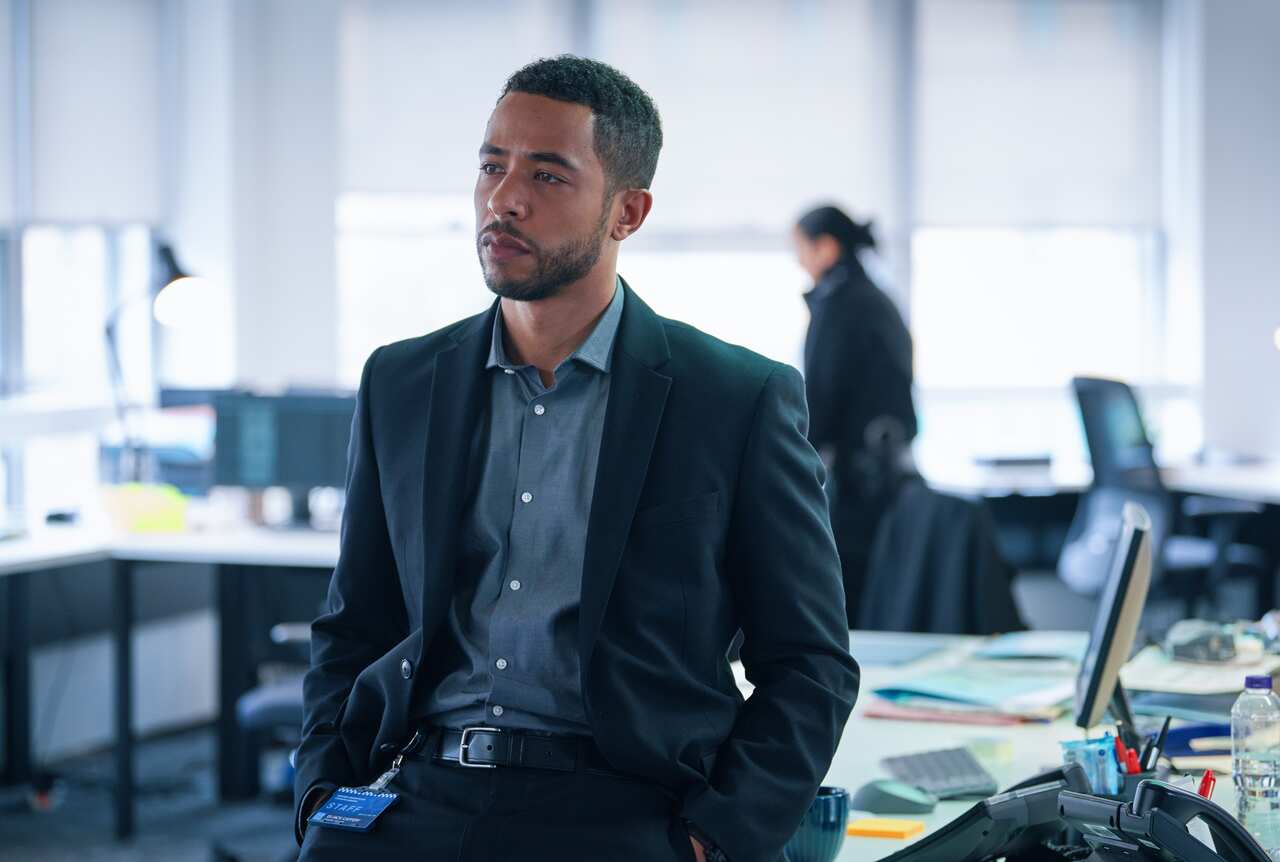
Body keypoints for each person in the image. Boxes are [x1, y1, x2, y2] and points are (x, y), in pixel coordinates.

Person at [294, 56, 858, 862]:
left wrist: (719, 836)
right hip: (417, 789)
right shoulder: (401, 381)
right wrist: (320, 794)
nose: (504, 198)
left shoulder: (735, 399)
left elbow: (810, 663)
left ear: (628, 211)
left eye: (548, 176)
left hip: (623, 808)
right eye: (492, 165)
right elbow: (356, 623)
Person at [792, 205, 917, 627]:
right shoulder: (872, 296)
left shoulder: (841, 304)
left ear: (826, 248)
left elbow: (821, 398)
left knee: (848, 602)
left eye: (801, 249)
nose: (798, 261)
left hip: (858, 486)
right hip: (883, 477)